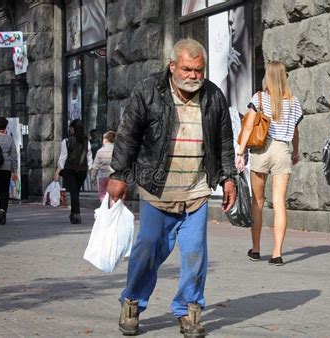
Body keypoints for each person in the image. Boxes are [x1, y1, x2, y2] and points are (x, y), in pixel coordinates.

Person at [107, 38, 236, 337]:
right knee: (149, 248)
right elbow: (128, 135)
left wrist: (228, 177)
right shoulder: (148, 91)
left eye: (199, 70)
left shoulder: (213, 96)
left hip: (196, 191)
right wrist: (119, 175)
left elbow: (224, 141)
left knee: (195, 254)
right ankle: (132, 301)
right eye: (187, 69)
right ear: (173, 66)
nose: (193, 76)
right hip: (156, 190)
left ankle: (189, 310)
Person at [236, 61, 303, 266]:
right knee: (280, 202)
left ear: (267, 76)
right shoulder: (293, 102)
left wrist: (241, 152)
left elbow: (248, 127)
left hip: (261, 151)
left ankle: (256, 249)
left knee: (258, 201)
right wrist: (296, 150)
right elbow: (295, 130)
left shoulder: (259, 98)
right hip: (282, 150)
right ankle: (277, 253)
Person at [54, 119, 92, 224]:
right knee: (75, 192)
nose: (70, 130)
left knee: (74, 192)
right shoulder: (86, 142)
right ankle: (74, 213)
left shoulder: (66, 141)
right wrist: (91, 169)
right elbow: (89, 157)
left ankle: (76, 214)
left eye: (71, 128)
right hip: (82, 170)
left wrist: (57, 172)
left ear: (73, 129)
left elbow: (63, 158)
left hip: (70, 169)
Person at [90, 131, 115, 202]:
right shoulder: (117, 150)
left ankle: (105, 209)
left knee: (102, 194)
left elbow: (95, 167)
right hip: (114, 177)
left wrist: (93, 178)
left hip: (103, 176)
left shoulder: (100, 151)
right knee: (113, 195)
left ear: (106, 140)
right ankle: (112, 209)